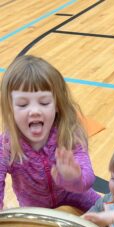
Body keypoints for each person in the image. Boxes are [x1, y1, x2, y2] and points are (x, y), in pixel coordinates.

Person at [0, 55, 100, 212]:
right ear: (10, 109)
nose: (34, 111)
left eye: (44, 102)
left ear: (57, 105)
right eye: (23, 104)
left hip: (81, 201)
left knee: (113, 221)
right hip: (37, 213)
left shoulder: (69, 133)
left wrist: (73, 178)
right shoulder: (6, 145)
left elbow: (87, 180)